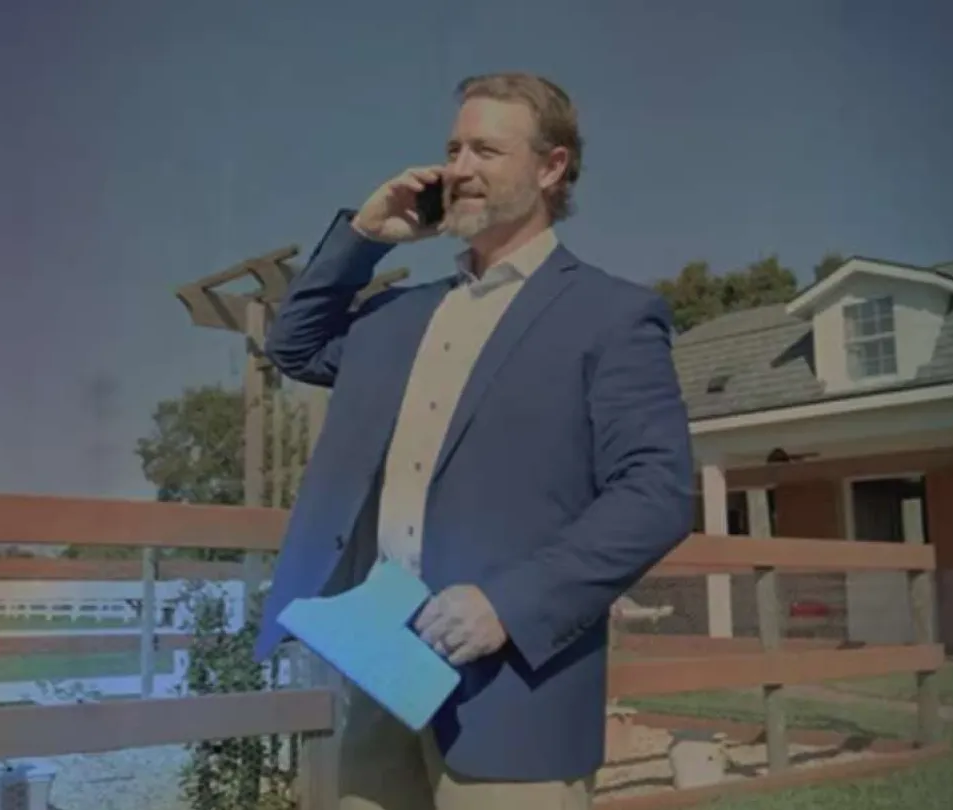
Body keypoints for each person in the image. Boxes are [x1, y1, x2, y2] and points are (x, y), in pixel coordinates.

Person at [253, 72, 696, 809]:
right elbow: (294, 346)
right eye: (453, 148)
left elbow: (656, 494)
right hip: (384, 678)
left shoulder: (610, 316)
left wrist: (508, 604)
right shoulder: (399, 317)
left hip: (515, 694)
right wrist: (365, 237)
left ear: (551, 167)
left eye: (486, 149)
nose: (459, 168)